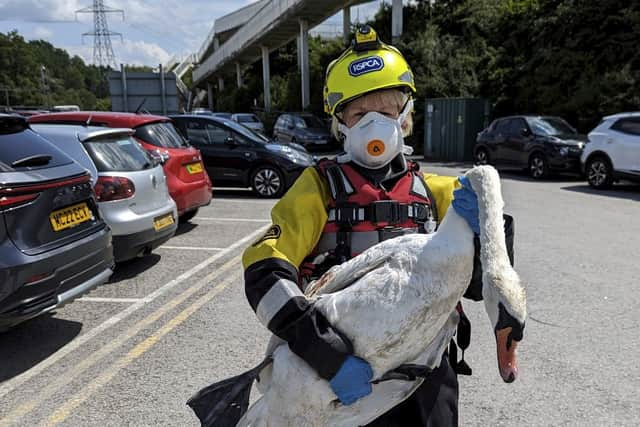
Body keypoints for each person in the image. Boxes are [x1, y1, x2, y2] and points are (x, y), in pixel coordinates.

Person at [242, 26, 514, 426]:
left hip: (426, 369)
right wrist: (323, 351)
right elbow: (264, 268)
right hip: (341, 370)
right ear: (340, 121)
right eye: (359, 113)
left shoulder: (442, 193)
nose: (373, 124)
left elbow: (478, 284)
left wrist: (493, 233)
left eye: (386, 112)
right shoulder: (317, 189)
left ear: (405, 119)